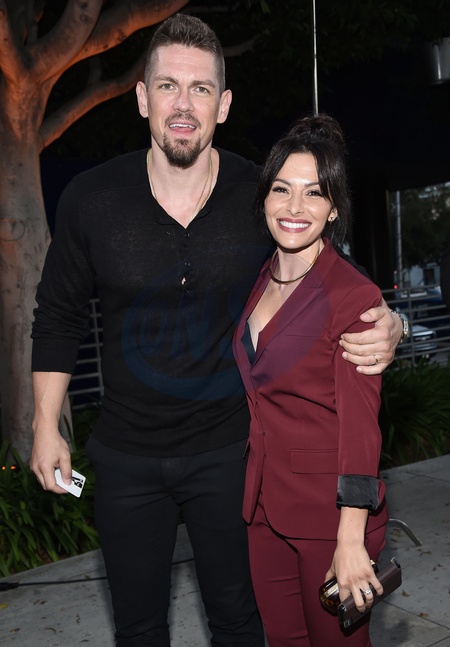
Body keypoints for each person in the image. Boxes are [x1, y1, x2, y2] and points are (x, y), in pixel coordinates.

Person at [30, 14, 401, 647]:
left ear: (223, 105)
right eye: (167, 86)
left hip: (232, 455)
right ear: (142, 98)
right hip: (125, 458)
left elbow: (327, 271)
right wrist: (45, 426)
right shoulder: (91, 199)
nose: (183, 104)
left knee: (240, 623)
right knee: (138, 628)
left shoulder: (260, 195)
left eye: (200, 88)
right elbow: (57, 315)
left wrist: (392, 321)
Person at [232, 114, 389, 647]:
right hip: (264, 507)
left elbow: (361, 430)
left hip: (330, 517)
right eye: (282, 189)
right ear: (264, 197)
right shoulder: (264, 277)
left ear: (334, 207)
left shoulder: (353, 296)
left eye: (314, 193)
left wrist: (351, 538)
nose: (294, 207)